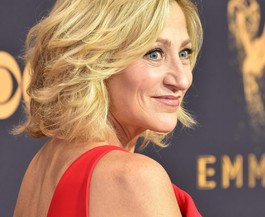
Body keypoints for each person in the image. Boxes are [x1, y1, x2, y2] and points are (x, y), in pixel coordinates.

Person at [13, 0, 203, 216]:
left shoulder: (41, 165)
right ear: (95, 61)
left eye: (184, 53)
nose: (183, 79)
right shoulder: (135, 177)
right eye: (154, 54)